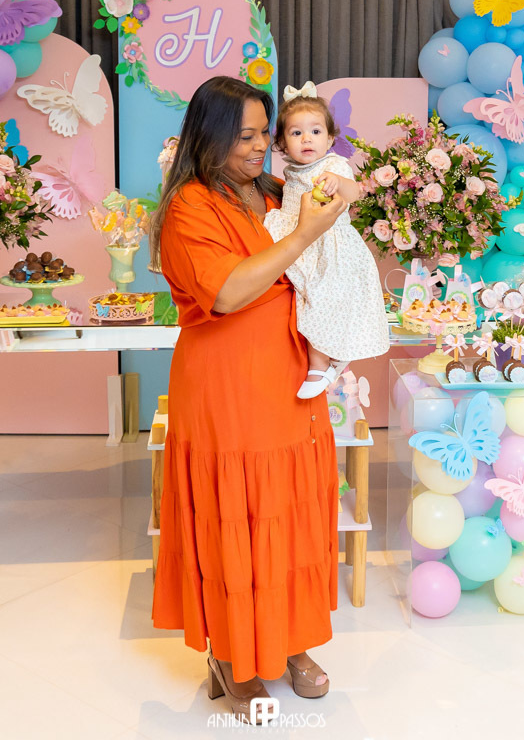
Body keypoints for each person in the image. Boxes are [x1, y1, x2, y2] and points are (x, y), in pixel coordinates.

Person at [149, 76, 346, 724]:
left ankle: (288, 642)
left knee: (287, 515)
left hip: (289, 382)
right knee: (237, 515)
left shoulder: (274, 191)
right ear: (209, 138)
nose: (262, 147)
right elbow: (228, 292)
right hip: (227, 389)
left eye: (266, 133)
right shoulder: (188, 206)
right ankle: (232, 658)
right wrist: (304, 236)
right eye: (245, 137)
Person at [264, 81, 390, 398]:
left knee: (320, 301)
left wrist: (337, 182)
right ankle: (333, 357)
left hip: (330, 246)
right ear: (282, 144)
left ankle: (319, 367)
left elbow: (354, 193)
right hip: (302, 242)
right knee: (304, 301)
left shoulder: (333, 165)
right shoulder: (291, 171)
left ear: (330, 139)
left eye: (316, 131)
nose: (307, 139)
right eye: (296, 133)